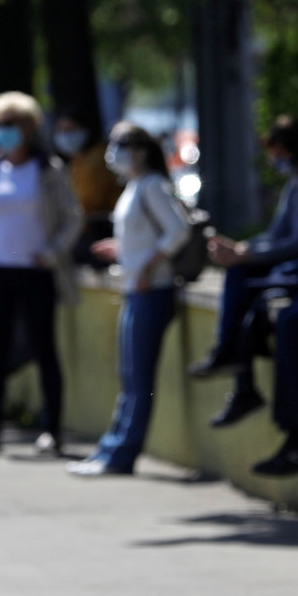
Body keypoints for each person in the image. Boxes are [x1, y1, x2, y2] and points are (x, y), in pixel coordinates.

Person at [188, 116, 298, 434]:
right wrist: (240, 248)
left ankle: (239, 369)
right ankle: (234, 366)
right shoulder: (296, 185)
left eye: (280, 152)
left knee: (283, 318)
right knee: (240, 274)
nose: (275, 160)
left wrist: (246, 253)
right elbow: (276, 234)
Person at [0, 91, 83, 456]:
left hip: (36, 271)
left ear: (29, 128)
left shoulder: (48, 169)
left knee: (45, 349)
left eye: (10, 124)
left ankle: (53, 431)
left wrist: (54, 252)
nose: (2, 132)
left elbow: (72, 217)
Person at [65, 122, 190, 476]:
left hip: (151, 290)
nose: (113, 153)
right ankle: (111, 449)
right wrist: (123, 251)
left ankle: (120, 454)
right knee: (129, 374)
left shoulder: (152, 185)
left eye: (122, 145)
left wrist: (149, 267)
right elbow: (146, 235)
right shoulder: (135, 187)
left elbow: (178, 230)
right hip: (136, 289)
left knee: (137, 379)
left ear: (140, 151)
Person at [52, 106, 122, 268]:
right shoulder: (77, 160)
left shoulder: (97, 159)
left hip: (100, 235)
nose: (65, 135)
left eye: (71, 129)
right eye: (61, 130)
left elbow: (87, 203)